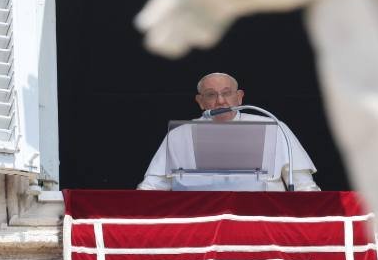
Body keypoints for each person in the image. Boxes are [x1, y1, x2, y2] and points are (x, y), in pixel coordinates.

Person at [137, 72, 320, 191]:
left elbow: (303, 185)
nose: (221, 101)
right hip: (200, 219)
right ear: (200, 101)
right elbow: (153, 187)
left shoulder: (272, 126)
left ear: (239, 97)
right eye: (211, 95)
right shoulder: (179, 134)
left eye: (227, 93)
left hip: (262, 218)